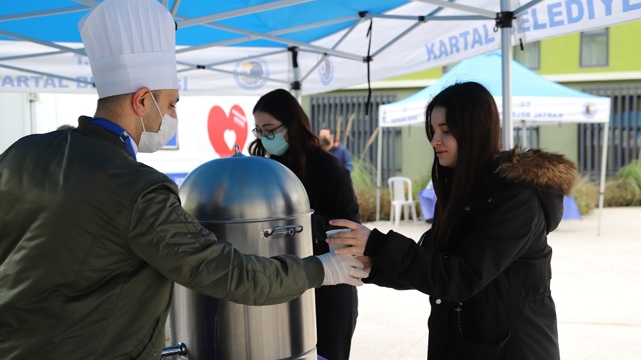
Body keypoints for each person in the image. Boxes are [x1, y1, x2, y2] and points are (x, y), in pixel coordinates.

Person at [0, 1, 367, 359]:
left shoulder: (22, 153)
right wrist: (321, 268)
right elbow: (229, 273)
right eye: (172, 104)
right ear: (142, 100)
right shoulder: (138, 188)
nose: (173, 116)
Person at [327, 82, 576, 359]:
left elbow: (460, 277)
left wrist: (377, 243)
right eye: (433, 131)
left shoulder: (515, 199)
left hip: (513, 349)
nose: (435, 140)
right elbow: (435, 261)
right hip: (465, 342)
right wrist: (374, 266)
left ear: (475, 131)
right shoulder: (466, 188)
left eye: (446, 131)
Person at [249, 89, 361, 360]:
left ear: (293, 125)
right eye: (259, 131)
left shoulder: (328, 168)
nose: (265, 137)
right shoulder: (268, 168)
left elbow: (351, 230)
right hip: (284, 282)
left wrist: (297, 221)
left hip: (330, 287)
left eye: (270, 129)